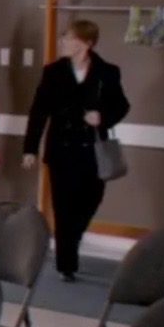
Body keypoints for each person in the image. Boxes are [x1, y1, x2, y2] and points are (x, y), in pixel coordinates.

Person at [23, 19, 130, 282]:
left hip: (92, 150)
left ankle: (71, 238)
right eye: (63, 38)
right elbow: (39, 111)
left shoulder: (107, 72)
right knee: (63, 207)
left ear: (86, 43)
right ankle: (66, 264)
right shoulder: (53, 72)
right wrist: (30, 148)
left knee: (91, 198)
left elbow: (121, 106)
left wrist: (102, 117)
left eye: (69, 39)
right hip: (61, 149)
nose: (63, 43)